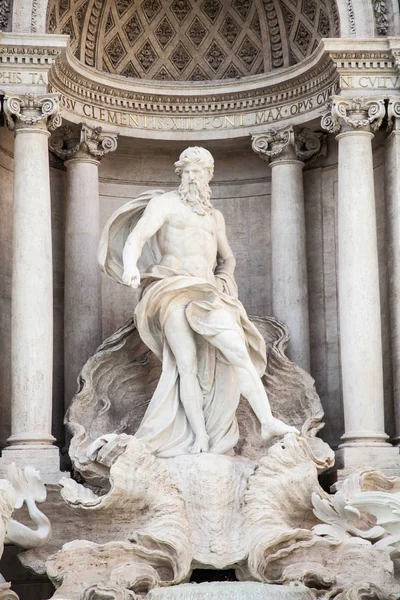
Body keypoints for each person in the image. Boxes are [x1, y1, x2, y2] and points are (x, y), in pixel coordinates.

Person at [98, 147, 297, 457]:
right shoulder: (164, 204)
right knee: (185, 365)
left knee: (238, 353)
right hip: (170, 287)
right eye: (187, 171)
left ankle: (268, 420)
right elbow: (137, 238)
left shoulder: (214, 217)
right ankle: (199, 438)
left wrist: (225, 279)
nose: (192, 177)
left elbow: (227, 257)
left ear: (209, 176)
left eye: (198, 171)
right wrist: (130, 266)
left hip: (207, 292)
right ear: (180, 174)